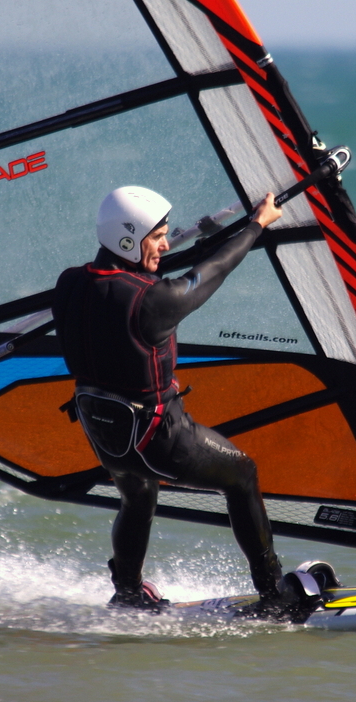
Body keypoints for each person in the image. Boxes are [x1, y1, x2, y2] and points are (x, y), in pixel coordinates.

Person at [53, 185, 313, 618]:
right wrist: (257, 225)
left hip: (104, 435)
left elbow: (116, 292)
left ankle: (128, 592)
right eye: (157, 238)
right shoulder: (153, 300)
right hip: (160, 439)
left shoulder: (68, 283)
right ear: (127, 240)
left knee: (137, 496)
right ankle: (273, 594)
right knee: (242, 474)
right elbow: (212, 271)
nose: (165, 245)